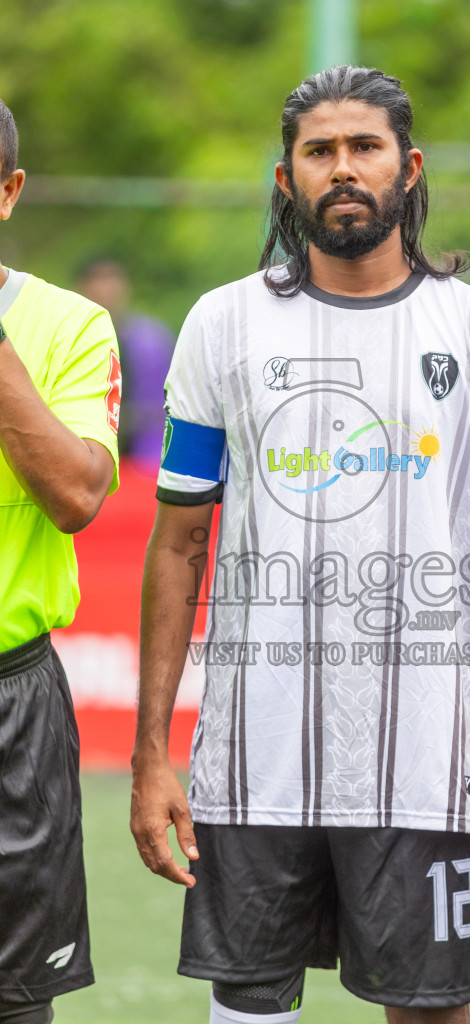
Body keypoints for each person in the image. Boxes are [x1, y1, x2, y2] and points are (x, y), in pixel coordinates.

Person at [130, 66, 470, 1024]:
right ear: (285, 178)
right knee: (248, 1006)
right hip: (253, 766)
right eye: (319, 152)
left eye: (364, 148)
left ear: (408, 168)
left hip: (421, 765)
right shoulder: (221, 324)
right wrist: (149, 758)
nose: (343, 169)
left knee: (426, 1011)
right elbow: (178, 545)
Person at [0, 101, 120, 1024]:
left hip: (11, 703)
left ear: (9, 194)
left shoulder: (68, 325)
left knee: (15, 993)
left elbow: (78, 495)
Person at [75, 258, 174, 466]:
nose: (106, 288)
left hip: (145, 461)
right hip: (86, 459)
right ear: (81, 288)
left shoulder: (153, 340)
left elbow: (168, 406)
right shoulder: (68, 340)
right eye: (98, 279)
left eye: (112, 278)